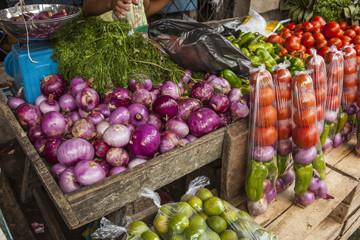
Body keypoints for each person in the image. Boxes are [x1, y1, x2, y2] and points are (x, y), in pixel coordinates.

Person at [82, 0, 173, 19]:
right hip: (111, 40)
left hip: (140, 40)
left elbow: (145, 11)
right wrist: (110, 3)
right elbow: (87, 9)